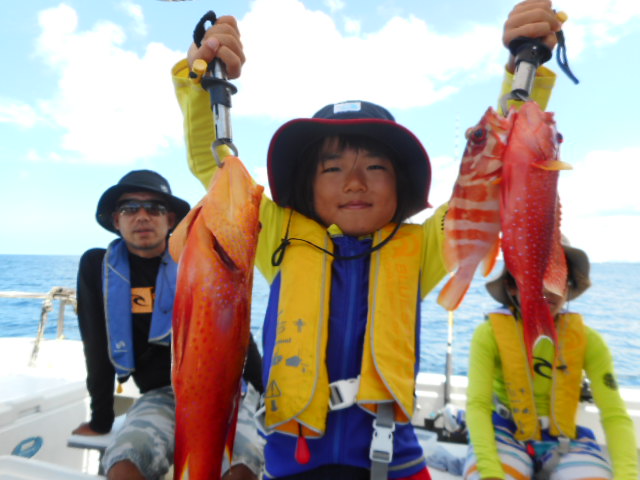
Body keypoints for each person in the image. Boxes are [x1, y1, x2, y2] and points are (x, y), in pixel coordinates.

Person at [171, 2, 565, 478]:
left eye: (375, 167)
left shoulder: (422, 248)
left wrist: (524, 73)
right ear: (305, 185)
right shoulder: (278, 235)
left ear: (401, 184)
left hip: (395, 464)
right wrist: (203, 81)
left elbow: (497, 173)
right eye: (332, 169)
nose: (354, 183)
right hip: (291, 465)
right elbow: (213, 167)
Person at [73, 170, 265, 480]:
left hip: (224, 393)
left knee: (241, 469)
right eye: (130, 208)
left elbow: (235, 333)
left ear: (172, 219)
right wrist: (101, 419)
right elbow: (96, 345)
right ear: (116, 220)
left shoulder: (201, 261)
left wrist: (266, 395)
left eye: (155, 208)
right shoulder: (98, 267)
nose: (142, 216)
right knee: (123, 468)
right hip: (160, 394)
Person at [463, 240, 639, 480]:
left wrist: (628, 475)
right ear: (512, 286)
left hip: (566, 441)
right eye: (535, 275)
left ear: (568, 287)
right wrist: (490, 471)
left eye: (559, 276)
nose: (549, 286)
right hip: (505, 433)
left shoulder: (591, 341)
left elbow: (614, 414)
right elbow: (478, 406)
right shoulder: (488, 335)